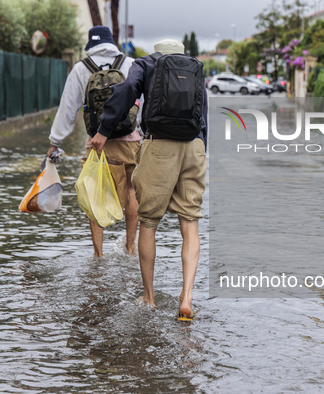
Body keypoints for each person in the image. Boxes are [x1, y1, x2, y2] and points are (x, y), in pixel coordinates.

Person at [91, 39, 207, 321]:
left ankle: (149, 297)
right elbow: (203, 113)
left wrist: (104, 129)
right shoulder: (195, 69)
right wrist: (202, 149)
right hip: (194, 147)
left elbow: (127, 92)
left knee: (149, 223)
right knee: (190, 223)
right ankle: (187, 297)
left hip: (159, 147)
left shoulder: (145, 63)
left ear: (157, 51)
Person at [47, 26, 141, 258]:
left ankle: (98, 255)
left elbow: (68, 108)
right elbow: (143, 102)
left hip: (97, 142)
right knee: (131, 191)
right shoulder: (130, 64)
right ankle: (130, 249)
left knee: (95, 194)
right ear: (112, 42)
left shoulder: (81, 68)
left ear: (91, 45)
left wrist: (55, 141)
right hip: (129, 139)